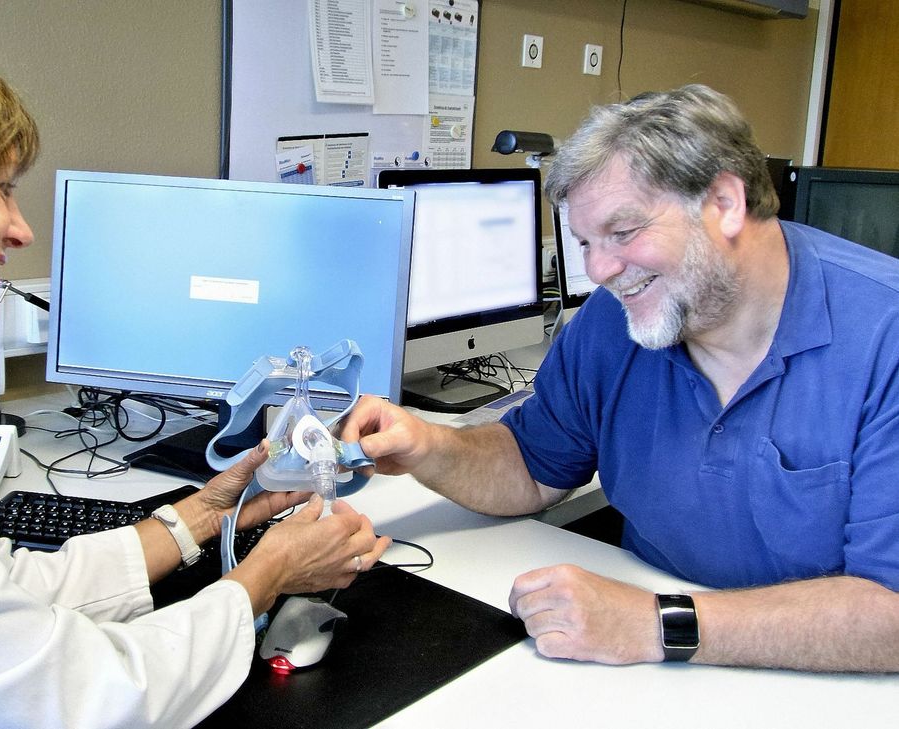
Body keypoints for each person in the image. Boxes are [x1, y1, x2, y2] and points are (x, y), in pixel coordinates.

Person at [0, 16, 389, 728]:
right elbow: (80, 700)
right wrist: (268, 576)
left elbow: (2, 591)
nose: (21, 230)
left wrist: (203, 514)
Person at [343, 84, 899, 673]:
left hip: (830, 682)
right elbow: (531, 467)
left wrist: (658, 623)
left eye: (624, 232)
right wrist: (429, 446)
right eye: (585, 242)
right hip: (654, 671)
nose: (601, 270)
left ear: (725, 203)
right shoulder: (616, 320)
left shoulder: (882, 337)